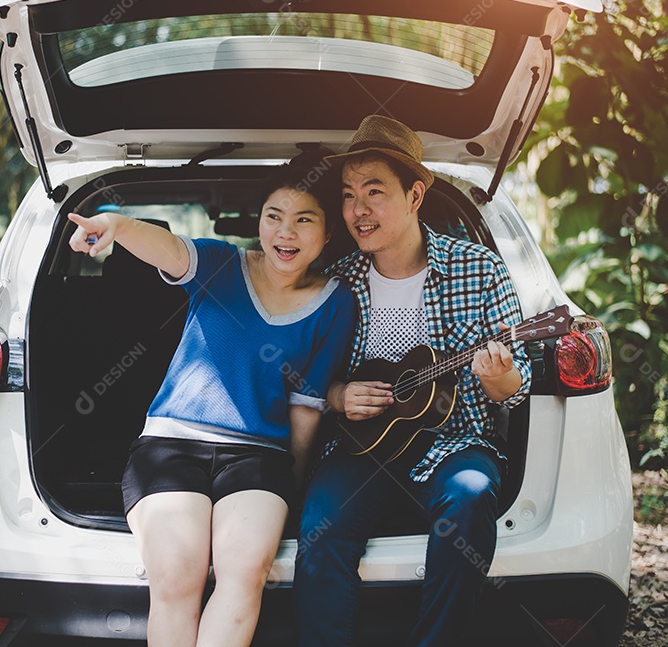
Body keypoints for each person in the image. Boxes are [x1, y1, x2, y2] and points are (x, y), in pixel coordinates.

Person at [67, 165, 356, 647]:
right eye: (274, 215)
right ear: (259, 221)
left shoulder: (334, 302)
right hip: (169, 447)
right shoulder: (222, 263)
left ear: (327, 235)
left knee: (242, 574)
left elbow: (306, 406)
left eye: (305, 220)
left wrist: (294, 487)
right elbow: (170, 248)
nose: (285, 231)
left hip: (260, 459)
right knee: (179, 576)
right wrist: (116, 225)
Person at [293, 115, 532, 647]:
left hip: (455, 441)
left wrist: (501, 375)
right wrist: (337, 395)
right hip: (361, 445)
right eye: (349, 194)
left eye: (374, 192)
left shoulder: (480, 270)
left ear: (415, 194)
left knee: (470, 498)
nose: (357, 210)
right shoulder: (340, 281)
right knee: (320, 530)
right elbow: (304, 378)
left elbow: (516, 388)